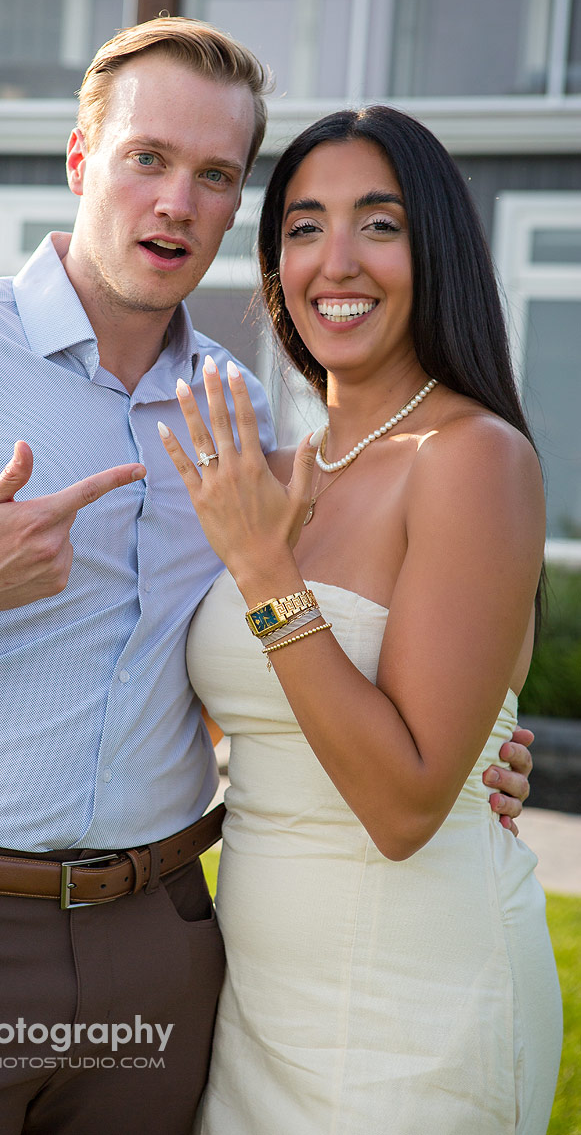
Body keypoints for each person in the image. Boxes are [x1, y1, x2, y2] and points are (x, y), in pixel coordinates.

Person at [0, 17, 531, 1134]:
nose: (178, 199)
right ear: (82, 160)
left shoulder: (241, 413)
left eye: (216, 174)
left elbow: (237, 655)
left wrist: (477, 745)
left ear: (235, 213)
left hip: (160, 946)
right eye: (149, 158)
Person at [157, 107, 563, 1133]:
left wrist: (262, 570)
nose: (335, 261)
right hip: (251, 1003)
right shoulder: (274, 474)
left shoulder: (473, 459)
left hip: (412, 1006)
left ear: (437, 253)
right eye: (302, 226)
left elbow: (406, 803)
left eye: (378, 224)